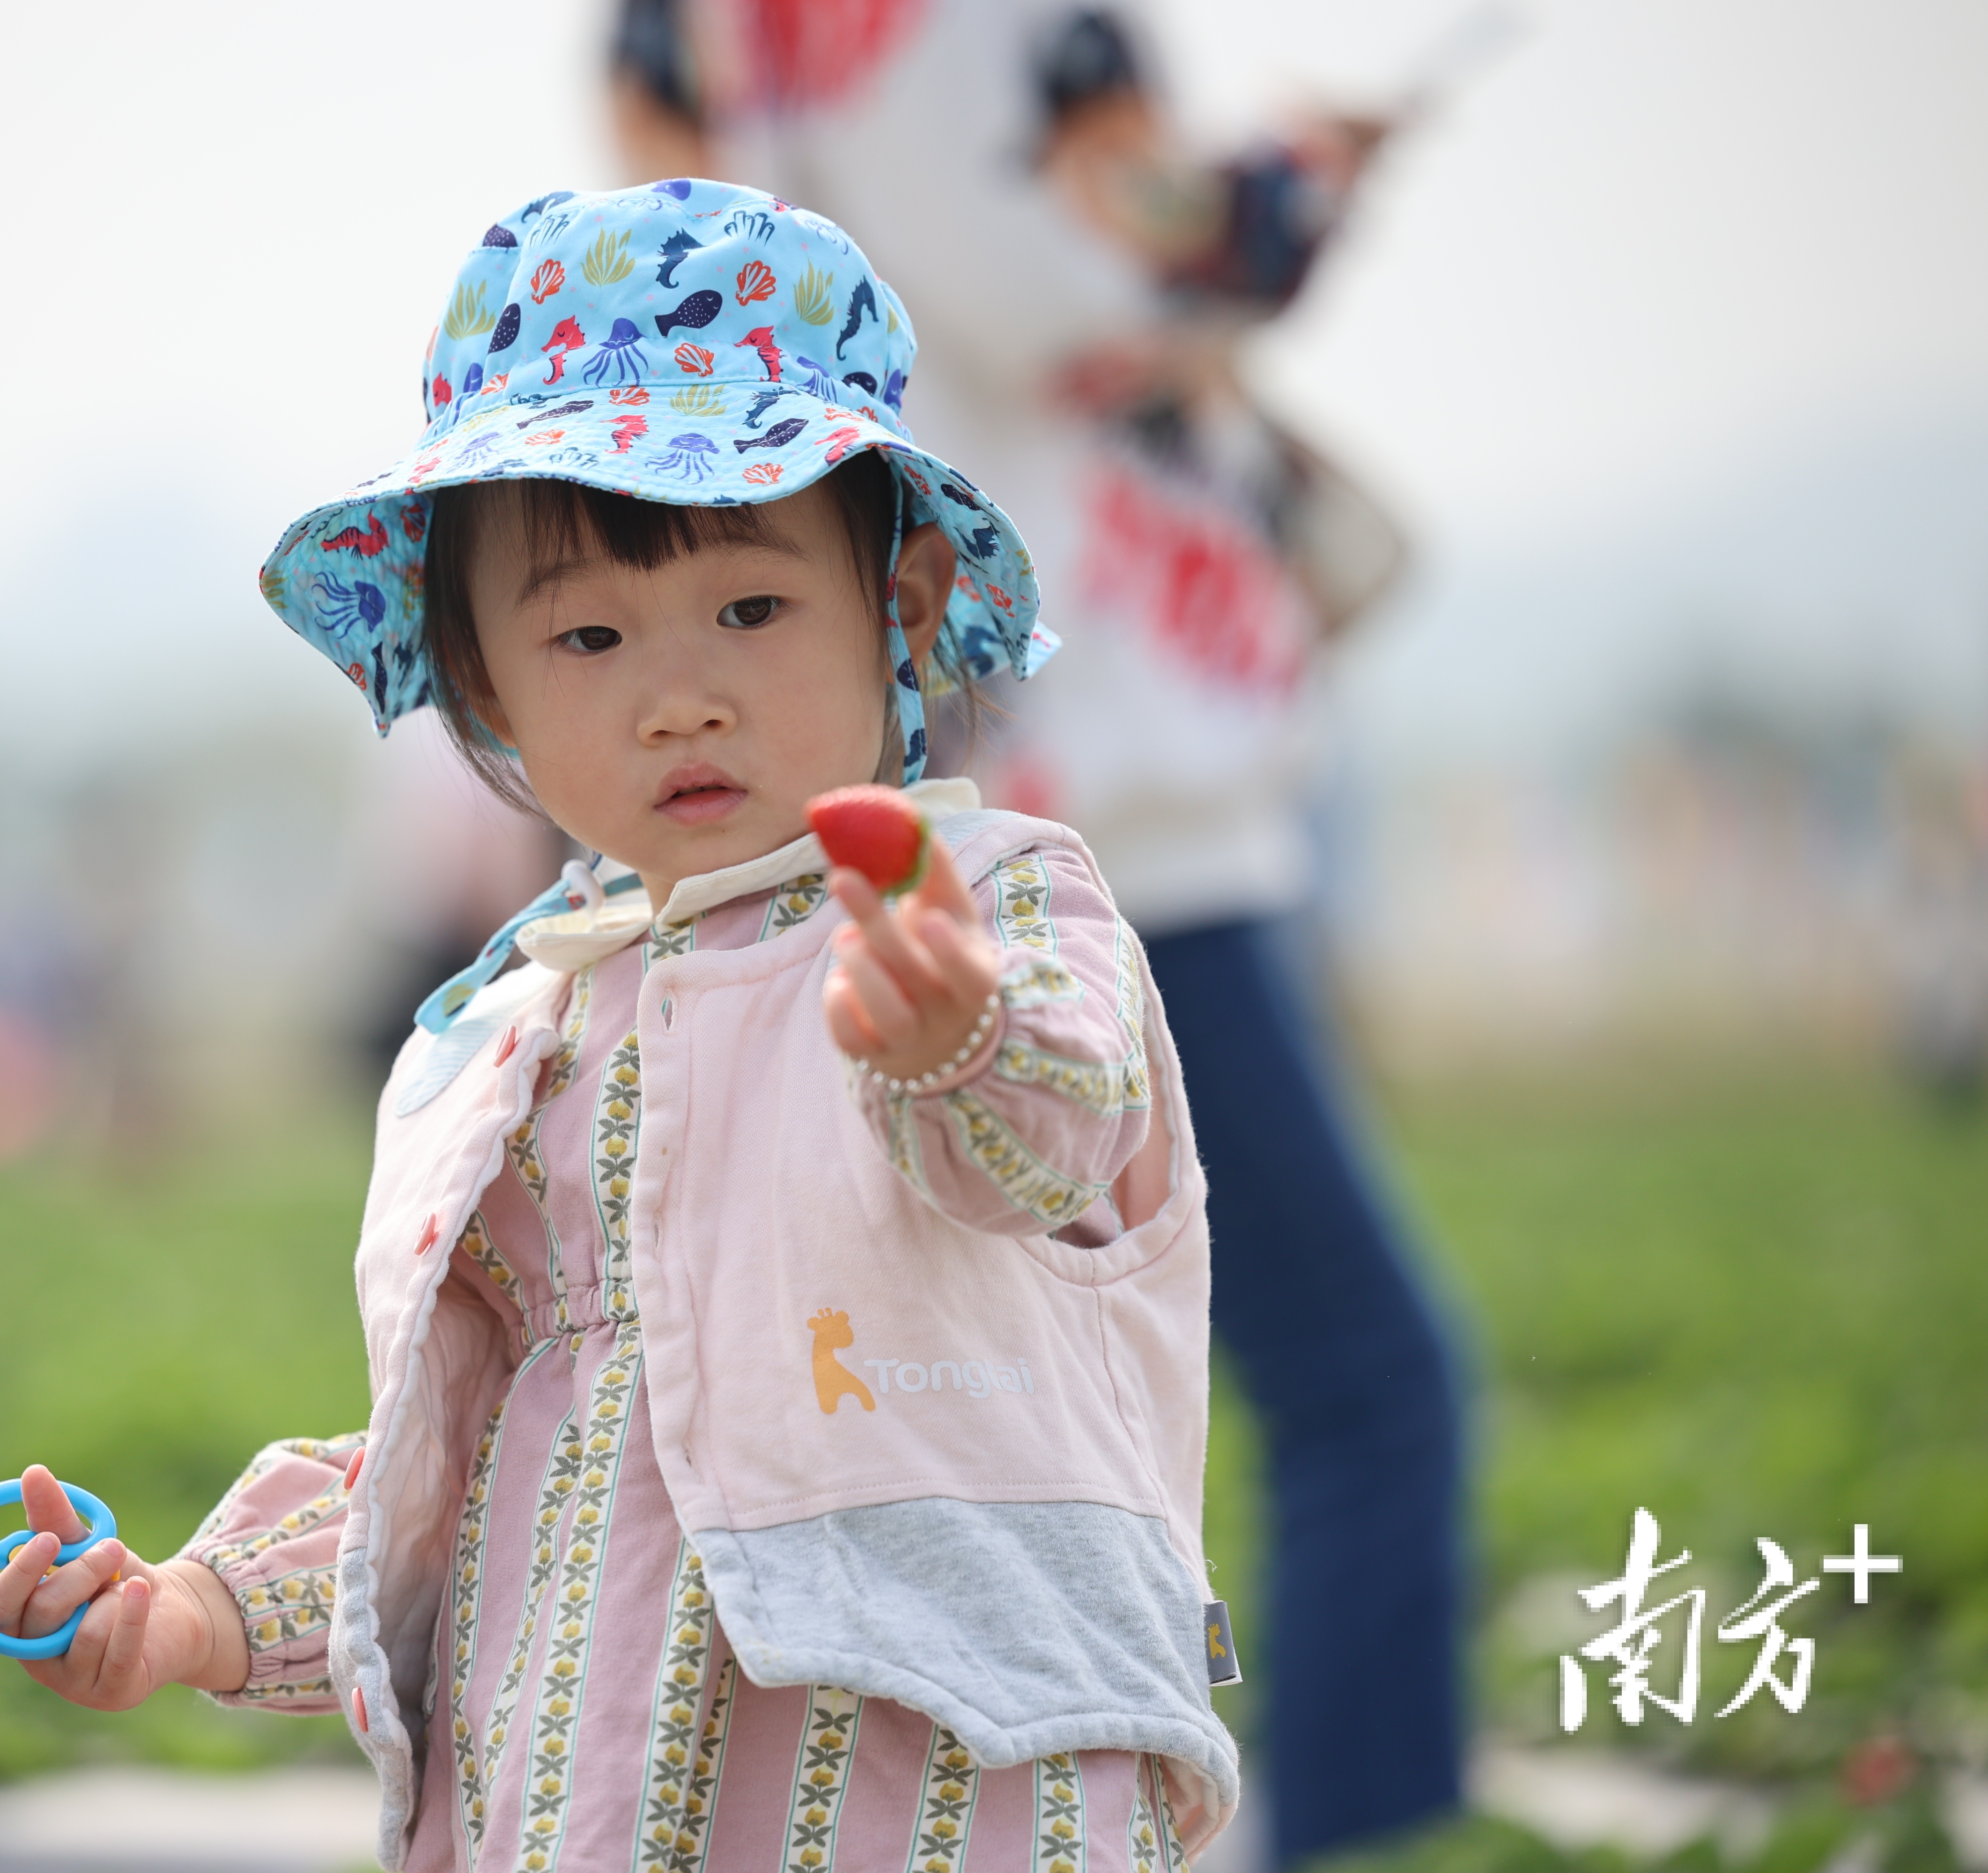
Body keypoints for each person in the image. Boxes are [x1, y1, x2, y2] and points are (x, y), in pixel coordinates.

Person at [0, 180, 1242, 1866]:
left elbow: (1052, 1135)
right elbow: (480, 1452)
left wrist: (953, 1037)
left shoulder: (989, 902)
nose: (679, 691)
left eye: (751, 606)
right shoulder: (519, 1032)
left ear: (910, 602)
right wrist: (200, 1611)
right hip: (585, 1799)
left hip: (950, 1793)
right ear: (486, 684)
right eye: (586, 632)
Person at [615, 5, 1466, 1860]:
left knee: (1026, 1395)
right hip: (1099, 817)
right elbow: (1075, 286)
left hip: (1070, 792)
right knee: (1367, 1388)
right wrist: (1280, 188)